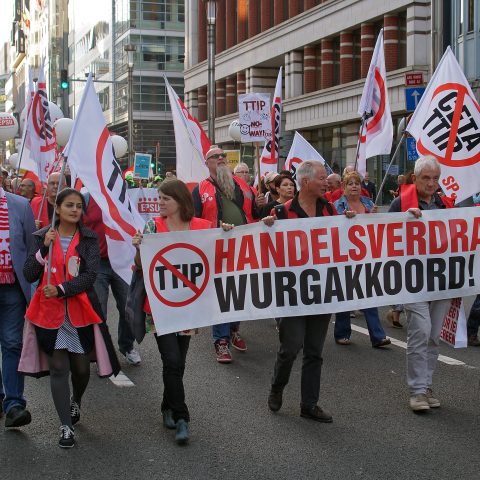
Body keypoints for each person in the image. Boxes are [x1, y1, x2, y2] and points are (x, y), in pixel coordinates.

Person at [22, 188, 120, 448]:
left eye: (79, 206)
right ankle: (65, 426)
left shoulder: (88, 238)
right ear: (58, 208)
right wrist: (43, 249)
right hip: (48, 314)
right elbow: (30, 273)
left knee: (80, 368)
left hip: (79, 312)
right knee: (58, 368)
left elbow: (89, 276)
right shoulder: (42, 236)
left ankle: (76, 400)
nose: (75, 210)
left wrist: (62, 289)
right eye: (69, 205)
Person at [131, 180, 223, 445]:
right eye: (159, 198)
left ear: (181, 202)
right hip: (160, 307)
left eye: (165, 199)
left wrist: (226, 232)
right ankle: (182, 417)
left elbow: (219, 252)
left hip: (189, 306)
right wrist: (139, 248)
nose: (159, 203)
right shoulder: (152, 227)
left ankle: (166, 406)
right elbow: (140, 265)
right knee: (171, 360)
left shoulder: (202, 227)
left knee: (178, 363)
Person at [263, 160, 335, 423]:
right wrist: (265, 228)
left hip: (322, 291)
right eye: (321, 178)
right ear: (306, 182)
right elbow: (265, 247)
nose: (326, 182)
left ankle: (309, 404)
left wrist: (351, 221)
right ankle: (277, 386)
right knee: (290, 347)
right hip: (292, 293)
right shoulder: (280, 213)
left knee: (315, 350)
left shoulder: (329, 210)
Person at [389, 155, 454, 412]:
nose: (432, 183)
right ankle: (416, 390)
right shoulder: (400, 203)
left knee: (434, 336)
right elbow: (381, 235)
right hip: (413, 280)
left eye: (436, 178)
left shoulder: (446, 204)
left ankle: (427, 386)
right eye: (426, 178)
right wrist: (403, 220)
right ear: (415, 178)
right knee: (420, 332)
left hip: (443, 280)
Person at [192, 145, 265, 363]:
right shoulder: (200, 189)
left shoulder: (244, 185)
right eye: (216, 157)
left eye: (223, 156)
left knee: (241, 291)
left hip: (244, 246)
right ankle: (221, 340)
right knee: (223, 294)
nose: (222, 159)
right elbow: (195, 219)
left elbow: (254, 214)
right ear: (207, 163)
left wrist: (261, 206)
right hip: (218, 248)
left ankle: (234, 329)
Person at [333, 171, 391, 348]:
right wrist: (342, 219)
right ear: (343, 187)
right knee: (345, 295)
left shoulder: (368, 203)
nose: (354, 186)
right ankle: (342, 333)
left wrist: (375, 217)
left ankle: (378, 336)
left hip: (366, 256)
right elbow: (330, 229)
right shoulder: (337, 205)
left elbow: (377, 228)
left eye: (357, 183)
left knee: (369, 295)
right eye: (350, 183)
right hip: (344, 257)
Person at [82, 194, 142, 365]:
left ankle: (127, 346)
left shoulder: (123, 198)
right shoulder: (86, 198)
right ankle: (102, 351)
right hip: (97, 263)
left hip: (122, 261)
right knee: (99, 310)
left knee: (128, 307)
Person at [0, 183, 35, 428]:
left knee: (12, 343)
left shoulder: (20, 205)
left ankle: (14, 404)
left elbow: (31, 251)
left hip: (12, 286)